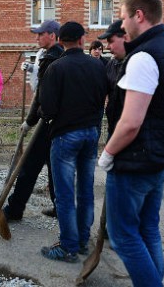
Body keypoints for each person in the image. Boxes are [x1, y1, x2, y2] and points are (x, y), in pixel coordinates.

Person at [97, 0, 164, 286]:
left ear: (139, 15)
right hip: (162, 157)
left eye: (123, 17)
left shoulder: (143, 57)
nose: (122, 25)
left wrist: (108, 153)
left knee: (124, 236)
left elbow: (130, 123)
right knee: (148, 228)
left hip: (138, 161)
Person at [38, 21, 107, 263]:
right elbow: (102, 100)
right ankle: (81, 242)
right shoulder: (98, 66)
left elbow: (47, 108)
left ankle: (68, 246)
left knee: (65, 195)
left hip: (65, 136)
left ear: (61, 41)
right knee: (86, 190)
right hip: (90, 135)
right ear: (81, 40)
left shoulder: (56, 68)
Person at [0, 20, 63, 221]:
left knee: (29, 166)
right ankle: (60, 208)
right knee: (54, 168)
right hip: (57, 122)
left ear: (52, 35)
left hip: (46, 121)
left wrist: (30, 121)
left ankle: (14, 210)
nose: (36, 37)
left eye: (40, 34)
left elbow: (41, 95)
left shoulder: (51, 58)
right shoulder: (57, 55)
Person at [97, 19, 126, 140]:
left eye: (111, 41)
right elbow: (102, 90)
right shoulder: (111, 63)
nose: (107, 47)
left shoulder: (139, 63)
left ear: (125, 38)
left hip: (132, 134)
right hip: (113, 128)